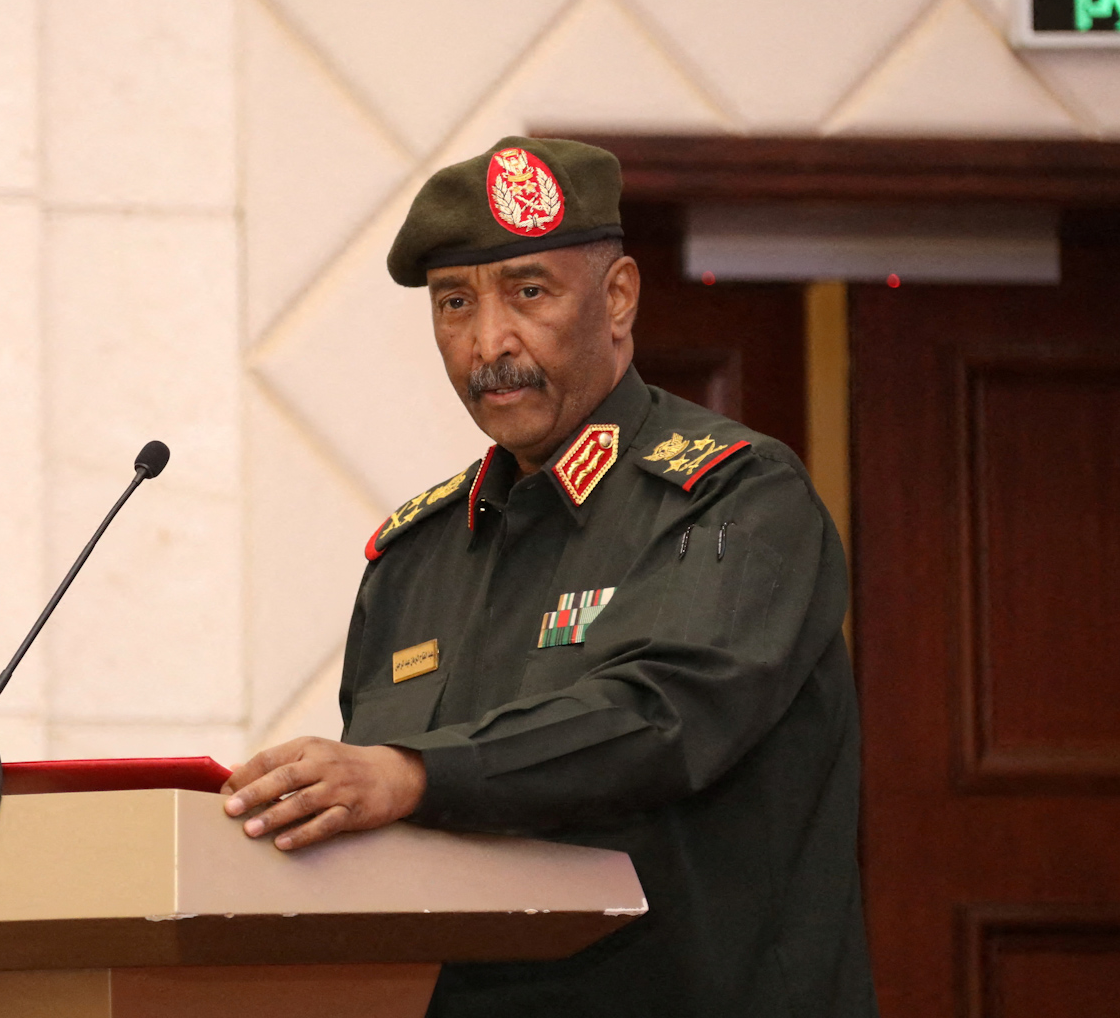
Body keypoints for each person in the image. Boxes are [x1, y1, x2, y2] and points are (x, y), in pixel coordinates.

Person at [221, 137, 877, 1016]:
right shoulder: (414, 558)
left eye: (529, 292)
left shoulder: (736, 498)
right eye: (454, 303)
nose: (490, 342)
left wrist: (412, 773)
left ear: (617, 298)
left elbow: (660, 718)